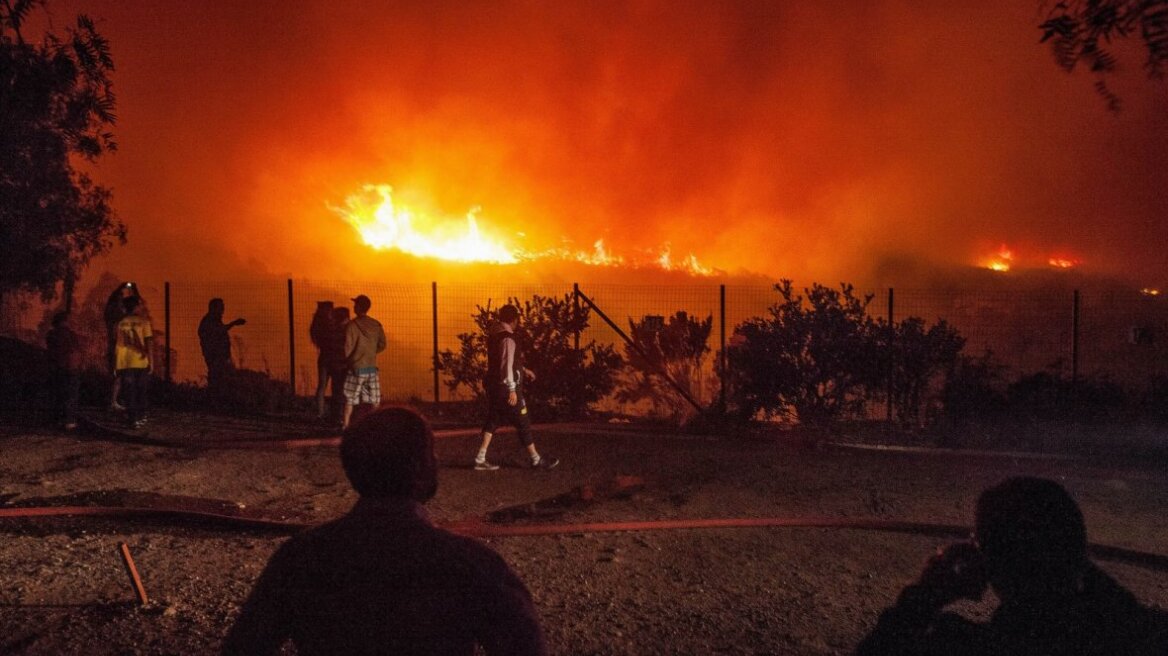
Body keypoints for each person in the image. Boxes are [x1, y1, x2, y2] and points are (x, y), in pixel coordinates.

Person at [220, 407, 549, 656]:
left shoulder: (300, 558)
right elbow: (525, 645)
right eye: (430, 453)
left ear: (354, 471)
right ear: (421, 468)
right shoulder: (472, 565)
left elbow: (244, 646)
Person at [855, 476, 1168, 656]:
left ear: (989, 559)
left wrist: (924, 596)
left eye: (978, 539)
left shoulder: (960, 644)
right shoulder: (1142, 632)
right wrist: (1078, 563)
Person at [472, 304, 558, 471]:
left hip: (496, 386)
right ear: (514, 320)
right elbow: (506, 364)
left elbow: (504, 362)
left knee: (494, 419)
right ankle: (535, 459)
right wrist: (512, 388)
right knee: (522, 421)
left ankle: (480, 458)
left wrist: (524, 370)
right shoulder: (508, 338)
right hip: (506, 388)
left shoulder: (495, 334)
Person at [341, 294, 386, 430]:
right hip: (371, 368)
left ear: (358, 307)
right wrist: (371, 352)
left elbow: (347, 347)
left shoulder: (351, 325)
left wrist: (349, 360)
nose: (354, 306)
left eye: (355, 304)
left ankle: (346, 425)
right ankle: (375, 425)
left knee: (350, 398)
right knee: (373, 400)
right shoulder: (376, 325)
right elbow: (383, 344)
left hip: (356, 367)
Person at [113, 296, 153, 428]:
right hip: (140, 361)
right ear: (136, 306)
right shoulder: (144, 322)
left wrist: (117, 362)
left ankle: (133, 419)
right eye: (139, 304)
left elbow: (118, 344)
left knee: (129, 391)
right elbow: (149, 342)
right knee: (141, 389)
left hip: (125, 361)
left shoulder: (121, 323)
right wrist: (151, 361)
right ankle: (142, 416)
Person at [103, 282, 140, 411]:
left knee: (117, 374)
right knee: (119, 374)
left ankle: (113, 400)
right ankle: (113, 401)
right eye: (120, 298)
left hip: (116, 346)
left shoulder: (111, 314)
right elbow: (135, 304)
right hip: (119, 347)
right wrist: (133, 289)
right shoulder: (119, 316)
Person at [46, 311, 85, 430]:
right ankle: (70, 421)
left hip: (57, 367)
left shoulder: (51, 334)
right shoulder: (71, 335)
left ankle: (58, 419)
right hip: (71, 367)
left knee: (58, 394)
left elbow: (51, 351)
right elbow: (76, 350)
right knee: (71, 394)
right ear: (65, 321)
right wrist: (79, 365)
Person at [198, 297, 246, 389]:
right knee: (218, 378)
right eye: (221, 307)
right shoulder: (209, 321)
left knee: (223, 378)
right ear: (214, 308)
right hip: (215, 356)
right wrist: (234, 323)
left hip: (220, 356)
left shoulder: (214, 320)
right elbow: (219, 331)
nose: (223, 310)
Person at [322, 305, 350, 425]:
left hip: (337, 365)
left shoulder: (335, 330)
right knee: (343, 391)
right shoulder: (350, 330)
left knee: (337, 391)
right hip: (345, 365)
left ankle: (337, 416)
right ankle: (342, 416)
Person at [309, 300, 334, 418]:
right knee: (336, 386)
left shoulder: (316, 324)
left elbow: (316, 340)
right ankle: (334, 412)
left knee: (322, 385)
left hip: (323, 356)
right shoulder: (330, 324)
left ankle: (319, 412)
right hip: (334, 358)